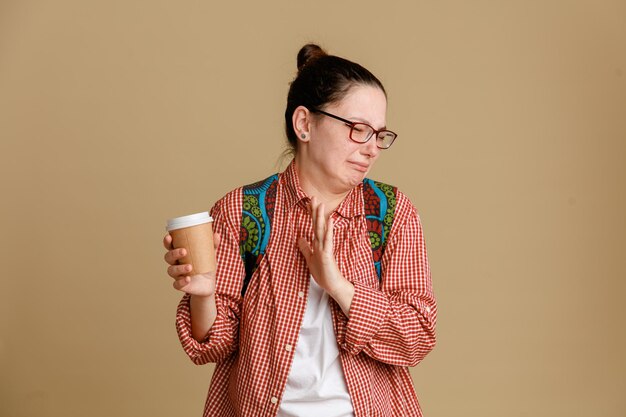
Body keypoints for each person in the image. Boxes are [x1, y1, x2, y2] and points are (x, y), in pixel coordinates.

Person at [163, 44, 437, 417]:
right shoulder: (242, 211)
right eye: (358, 130)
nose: (372, 148)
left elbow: (416, 338)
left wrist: (338, 286)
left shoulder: (391, 213)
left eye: (380, 134)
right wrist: (203, 295)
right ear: (304, 124)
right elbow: (210, 347)